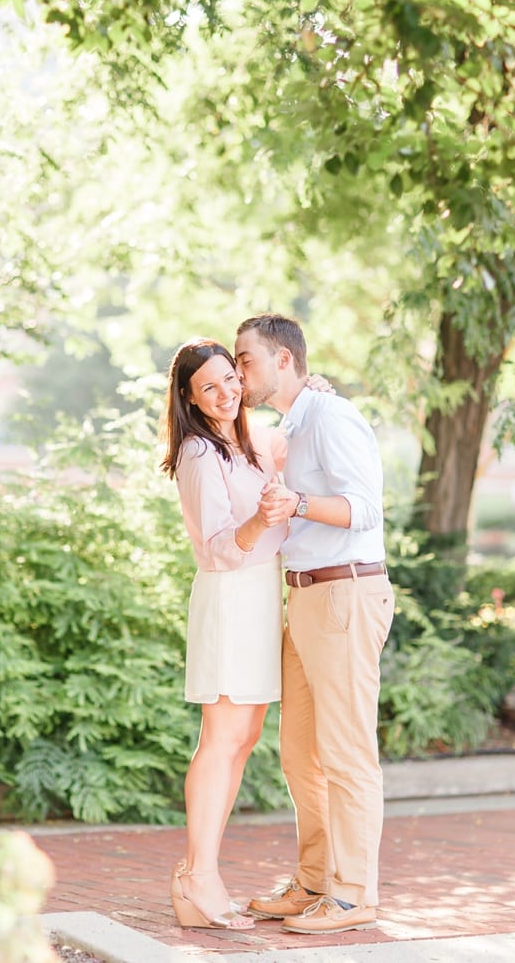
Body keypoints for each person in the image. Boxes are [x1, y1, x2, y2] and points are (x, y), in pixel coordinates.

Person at [233, 313, 394, 936]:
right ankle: (315, 883)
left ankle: (354, 896)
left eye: (246, 358)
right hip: (303, 600)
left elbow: (365, 508)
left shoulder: (330, 417)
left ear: (283, 359)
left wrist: (296, 503)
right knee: (301, 755)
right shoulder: (295, 423)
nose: (240, 369)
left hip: (344, 595)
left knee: (348, 753)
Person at [160, 338, 288, 930]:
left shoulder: (250, 438)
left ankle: (198, 878)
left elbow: (295, 441)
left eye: (229, 379)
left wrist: (311, 390)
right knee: (222, 735)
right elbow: (214, 547)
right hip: (231, 595)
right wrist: (259, 520)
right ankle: (197, 874)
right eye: (208, 387)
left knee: (244, 736)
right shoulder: (197, 453)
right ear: (188, 397)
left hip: (262, 594)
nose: (225, 392)